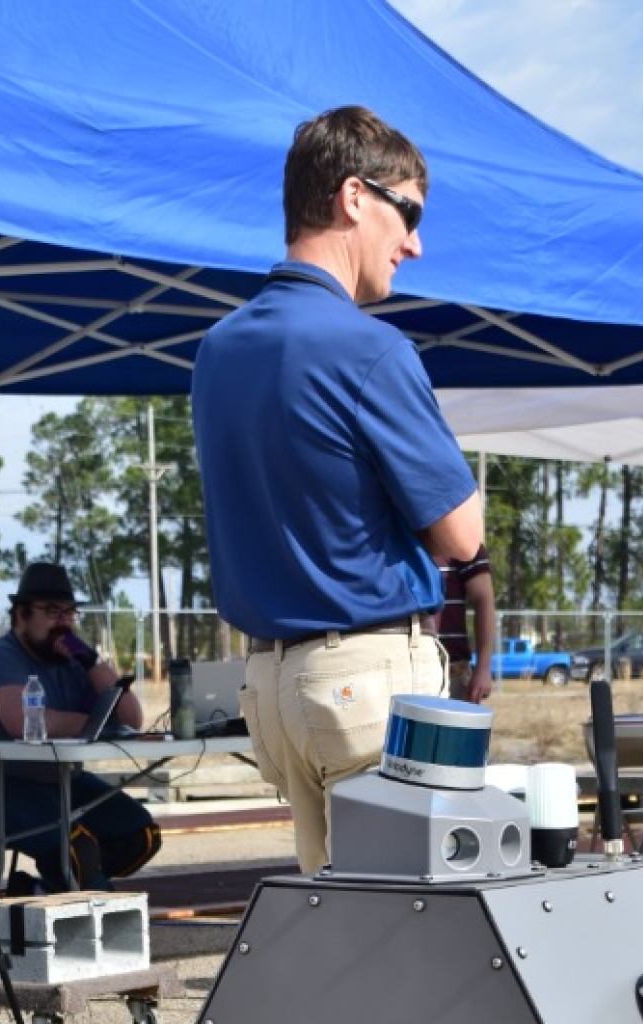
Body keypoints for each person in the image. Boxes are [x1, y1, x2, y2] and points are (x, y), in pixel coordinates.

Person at [191, 105, 484, 873]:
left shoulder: (217, 352)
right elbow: (460, 535)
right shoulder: (371, 350)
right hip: (366, 675)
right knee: (418, 936)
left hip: (272, 684)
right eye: (409, 211)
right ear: (355, 197)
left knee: (344, 936)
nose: (414, 243)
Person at [0, 561, 160, 891]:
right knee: (78, 847)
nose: (63, 623)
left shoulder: (74, 663)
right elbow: (26, 724)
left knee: (140, 835)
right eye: (52, 612)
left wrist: (91, 661)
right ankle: (89, 907)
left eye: (70, 613)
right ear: (22, 614)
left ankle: (43, 890)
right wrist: (92, 724)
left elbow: (132, 719)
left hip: (55, 781)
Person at [436, 547, 495, 703]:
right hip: (404, 667)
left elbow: (484, 598)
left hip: (453, 672)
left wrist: (483, 667)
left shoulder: (460, 537)